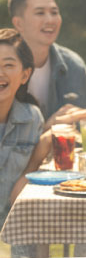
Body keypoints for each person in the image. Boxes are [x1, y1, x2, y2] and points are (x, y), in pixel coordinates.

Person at [8, 0, 86, 129]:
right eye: (40, 13)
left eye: (54, 12)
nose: (50, 20)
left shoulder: (73, 65)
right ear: (19, 23)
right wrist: (49, 128)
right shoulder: (4, 69)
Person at [0, 28, 51, 226]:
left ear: (25, 75)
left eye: (8, 65)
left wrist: (46, 140)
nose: (0, 72)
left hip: (12, 225)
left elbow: (30, 175)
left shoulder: (32, 118)